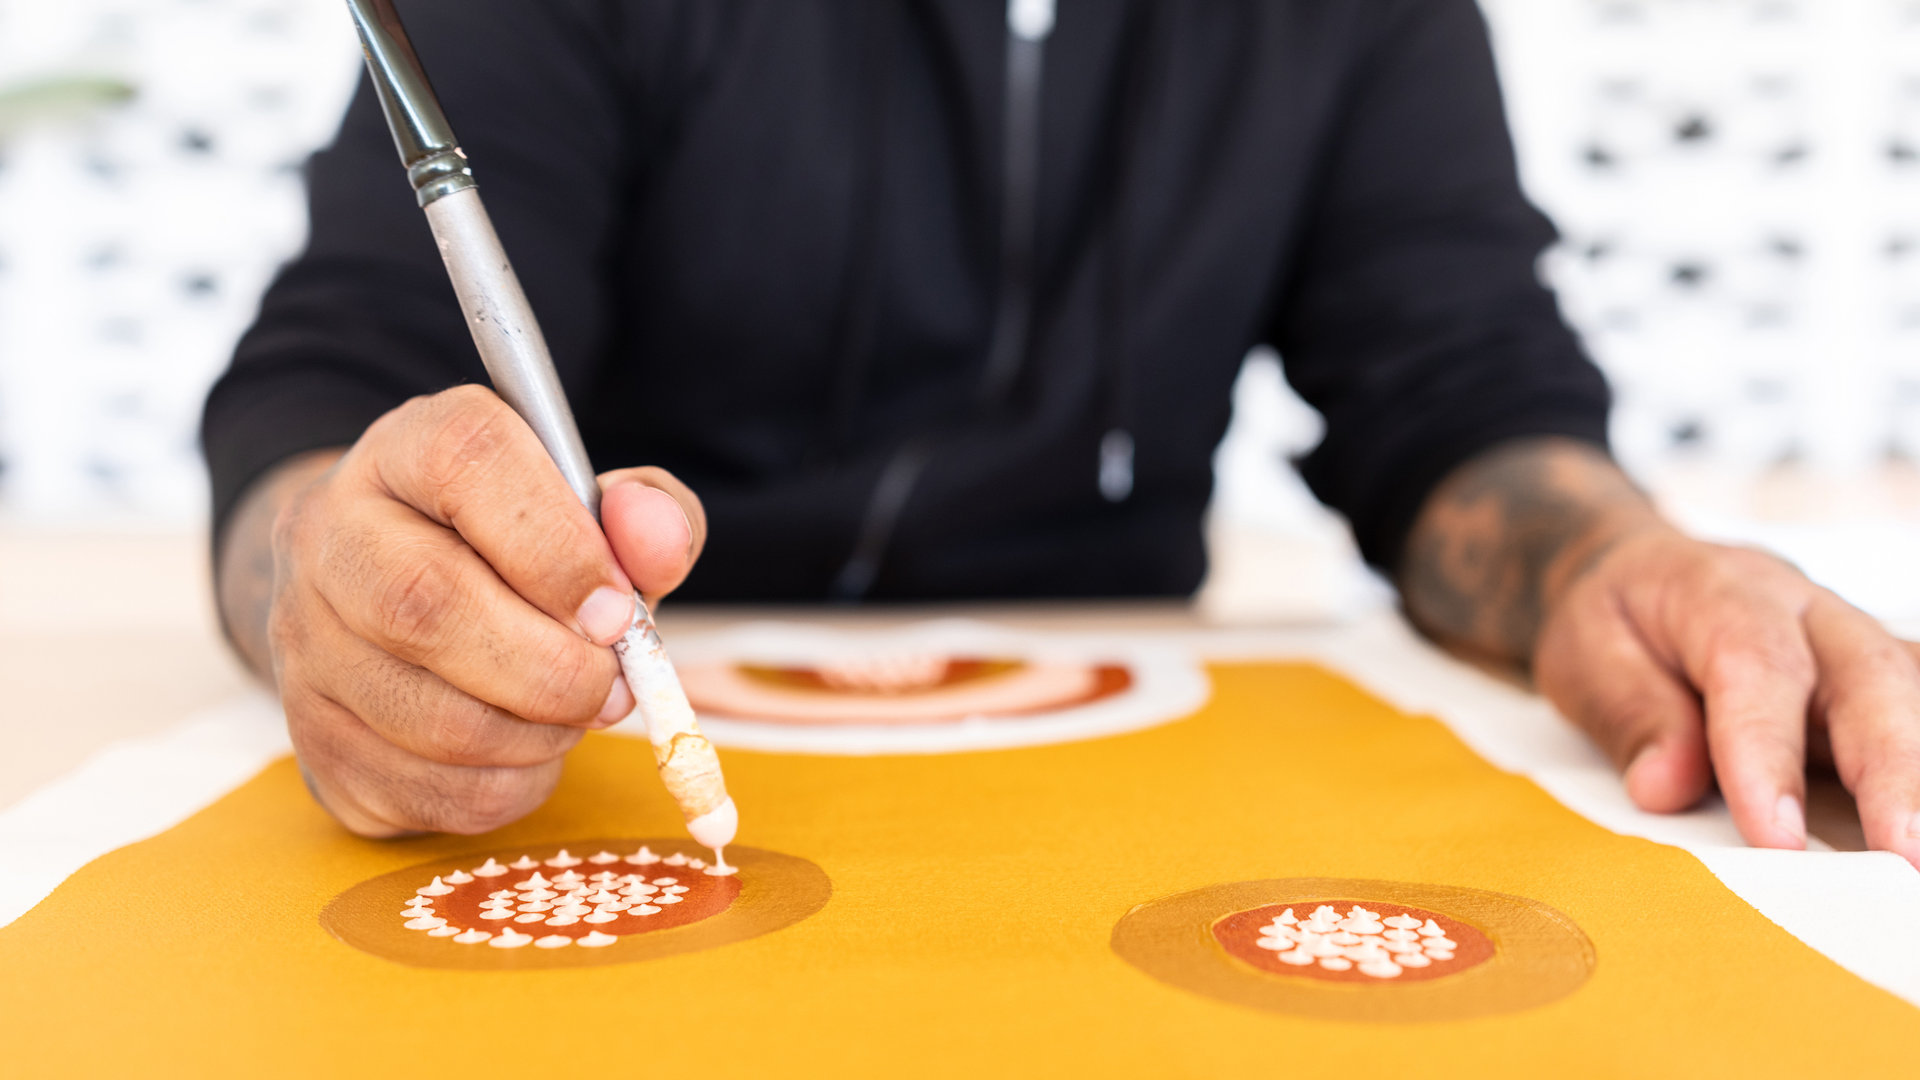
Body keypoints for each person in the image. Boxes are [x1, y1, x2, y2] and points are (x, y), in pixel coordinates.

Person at [202, 0, 1920, 865]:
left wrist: (1621, 568)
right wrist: (348, 583)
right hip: (613, 742)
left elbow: (1461, 392)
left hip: (1136, 795)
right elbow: (333, 385)